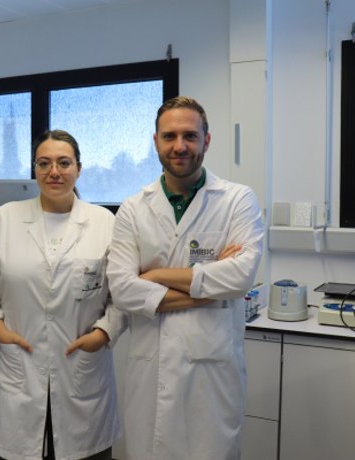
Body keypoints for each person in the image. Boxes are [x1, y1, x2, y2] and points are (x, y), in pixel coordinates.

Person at [106, 96, 264, 460]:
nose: (180, 146)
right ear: (156, 141)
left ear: (206, 141)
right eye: (170, 136)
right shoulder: (133, 208)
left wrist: (157, 274)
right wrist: (211, 289)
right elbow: (124, 290)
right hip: (151, 372)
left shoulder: (237, 200)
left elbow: (240, 277)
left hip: (211, 375)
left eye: (190, 136)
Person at [0, 129, 126, 460]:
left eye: (64, 162)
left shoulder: (105, 222)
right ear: (34, 169)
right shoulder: (5, 219)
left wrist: (104, 333)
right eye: (44, 163)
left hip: (82, 370)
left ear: (79, 168)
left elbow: (121, 296)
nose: (54, 172)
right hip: (19, 369)